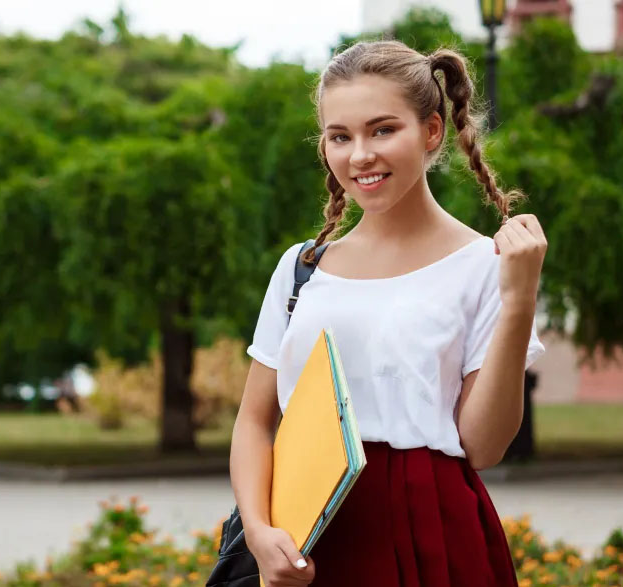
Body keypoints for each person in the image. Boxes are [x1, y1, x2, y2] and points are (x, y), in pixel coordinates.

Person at [227, 39, 548, 587]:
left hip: (432, 528)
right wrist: (258, 532)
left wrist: (518, 302)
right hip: (304, 535)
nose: (360, 156)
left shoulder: (486, 268)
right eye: (340, 137)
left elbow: (484, 446)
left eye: (382, 130)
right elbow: (256, 422)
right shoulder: (302, 268)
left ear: (430, 131)